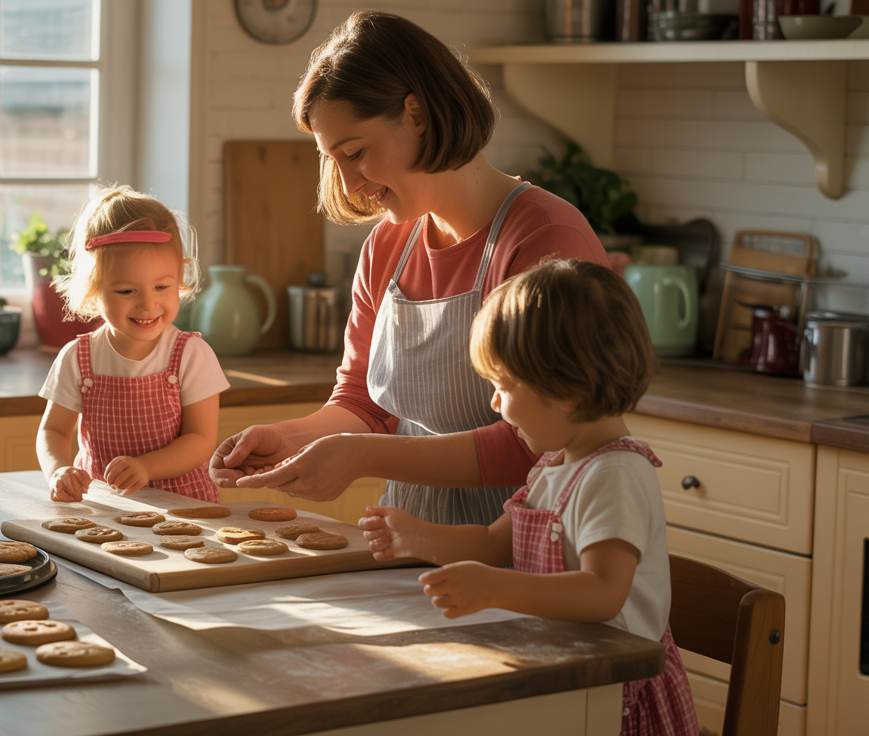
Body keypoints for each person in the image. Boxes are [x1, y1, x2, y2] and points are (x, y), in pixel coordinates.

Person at [210, 10, 609, 526]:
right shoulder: (388, 246)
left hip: (527, 550)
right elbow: (364, 404)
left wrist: (361, 458)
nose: (350, 184)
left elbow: (543, 442)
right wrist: (288, 437)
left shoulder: (544, 240)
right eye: (334, 161)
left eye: (355, 152)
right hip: (409, 537)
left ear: (416, 114)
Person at [360, 259, 697, 735]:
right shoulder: (556, 464)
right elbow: (491, 544)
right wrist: (415, 536)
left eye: (504, 386)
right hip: (565, 673)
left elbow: (602, 593)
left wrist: (495, 589)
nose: (494, 403)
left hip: (613, 693)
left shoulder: (615, 473)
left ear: (567, 391)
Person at [37, 185, 228, 502]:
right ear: (94, 290)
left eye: (162, 286)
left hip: (182, 505)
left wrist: (146, 467)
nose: (148, 304)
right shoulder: (78, 357)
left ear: (180, 278)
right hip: (103, 505)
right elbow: (53, 431)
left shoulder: (191, 355)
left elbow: (201, 438)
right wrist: (58, 469)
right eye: (127, 291)